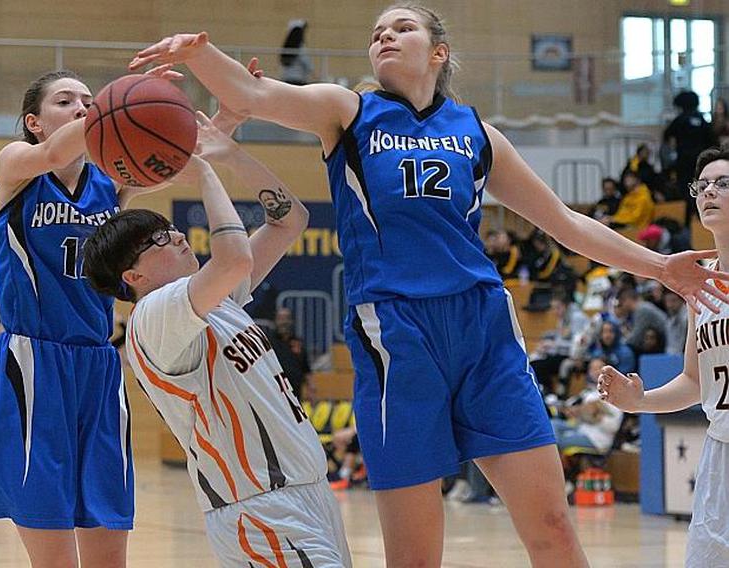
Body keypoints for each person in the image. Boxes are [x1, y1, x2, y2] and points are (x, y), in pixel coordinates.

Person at [130, 5, 729, 565]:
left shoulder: (477, 133)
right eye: (376, 33)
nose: (384, 36)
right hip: (396, 335)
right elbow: (253, 94)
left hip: (484, 329)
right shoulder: (348, 111)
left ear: (439, 52)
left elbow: (566, 223)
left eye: (402, 28)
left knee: (552, 527)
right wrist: (197, 54)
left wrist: (660, 267)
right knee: (416, 555)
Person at [83, 112, 352, 567]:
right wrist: (204, 174)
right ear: (134, 275)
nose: (178, 237)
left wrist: (231, 155)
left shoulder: (217, 302)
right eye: (160, 239)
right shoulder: (153, 314)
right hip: (260, 505)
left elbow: (291, 219)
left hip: (305, 492)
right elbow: (231, 261)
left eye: (169, 229)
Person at [0, 66, 181, 567]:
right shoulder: (18, 164)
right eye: (66, 101)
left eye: (89, 100)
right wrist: (117, 104)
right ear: (35, 121)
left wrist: (223, 116)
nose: (83, 107)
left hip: (98, 364)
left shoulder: (108, 185)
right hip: (33, 362)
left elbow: (174, 153)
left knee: (109, 536)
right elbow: (54, 154)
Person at [598, 141, 729, 568]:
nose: (709, 192)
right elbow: (695, 381)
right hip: (719, 451)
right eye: (702, 186)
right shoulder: (700, 283)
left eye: (722, 184)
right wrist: (640, 401)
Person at [664, 91, 718, 223]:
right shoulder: (702, 120)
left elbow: (666, 135)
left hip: (683, 162)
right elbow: (712, 140)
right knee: (700, 188)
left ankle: (690, 220)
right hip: (700, 162)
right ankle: (699, 217)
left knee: (687, 190)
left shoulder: (679, 120)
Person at [266, 307, 315, 400]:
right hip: (274, 392)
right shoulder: (268, 342)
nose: (283, 322)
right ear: (275, 321)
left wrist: (311, 387)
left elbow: (306, 369)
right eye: (280, 318)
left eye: (286, 318)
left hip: (295, 393)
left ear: (291, 321)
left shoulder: (298, 343)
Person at [280, 19, 313, 86]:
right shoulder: (300, 47)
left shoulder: (286, 47)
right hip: (299, 79)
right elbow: (307, 63)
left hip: (286, 78)